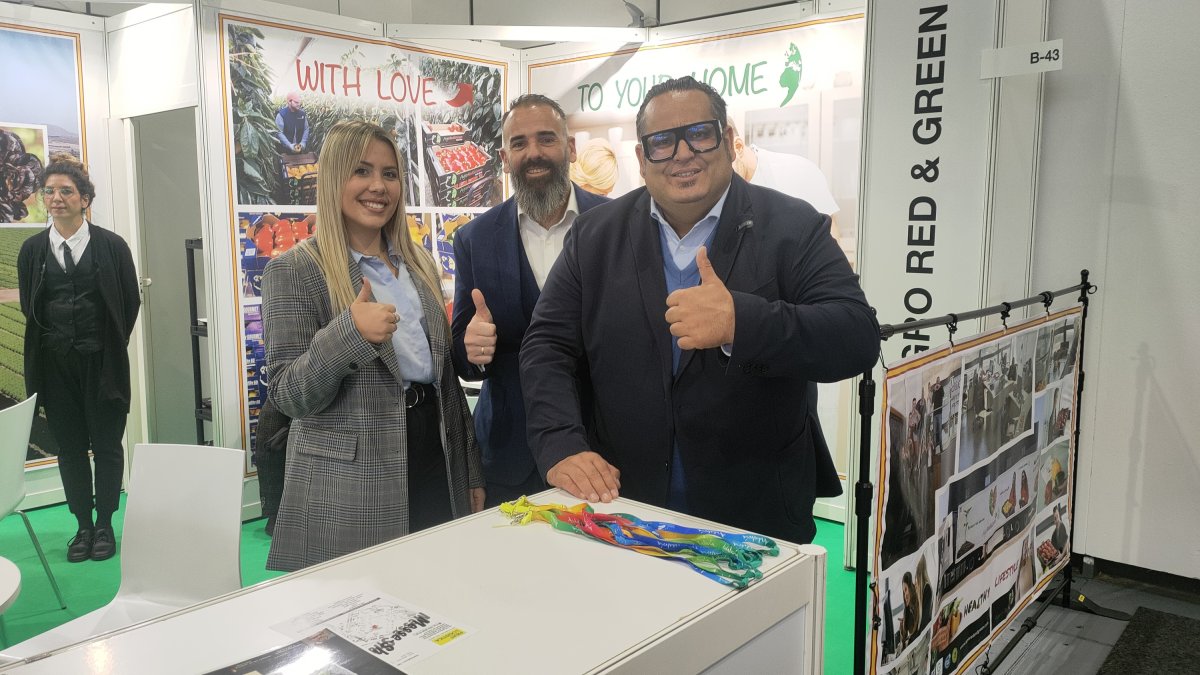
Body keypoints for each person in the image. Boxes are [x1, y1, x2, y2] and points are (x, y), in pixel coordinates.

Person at [520, 76, 878, 544]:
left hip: (753, 510)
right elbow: (546, 345)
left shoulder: (792, 226)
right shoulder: (594, 236)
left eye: (700, 134)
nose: (683, 153)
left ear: (729, 141)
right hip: (625, 507)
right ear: (642, 159)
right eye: (662, 142)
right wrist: (560, 444)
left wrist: (740, 322)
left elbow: (855, 336)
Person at [261, 120, 483, 572]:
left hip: (432, 457)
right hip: (349, 482)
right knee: (361, 611)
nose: (378, 187)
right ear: (333, 180)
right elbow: (288, 394)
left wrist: (470, 472)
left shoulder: (416, 263)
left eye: (389, 173)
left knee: (437, 590)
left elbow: (444, 385)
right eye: (361, 171)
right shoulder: (294, 271)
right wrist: (348, 335)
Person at [451, 94, 609, 507]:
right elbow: (462, 355)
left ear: (570, 148)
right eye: (519, 143)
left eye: (546, 139)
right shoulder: (475, 239)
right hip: (507, 456)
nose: (533, 153)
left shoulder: (616, 225)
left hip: (602, 454)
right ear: (505, 157)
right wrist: (472, 349)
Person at [17, 158, 140, 562]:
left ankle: (104, 524)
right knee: (69, 449)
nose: (56, 199)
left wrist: (104, 343)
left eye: (66, 191)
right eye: (49, 191)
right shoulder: (33, 251)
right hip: (54, 366)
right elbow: (28, 307)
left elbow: (129, 302)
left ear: (85, 199)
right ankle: (81, 527)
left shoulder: (112, 246)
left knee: (106, 445)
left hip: (102, 364)